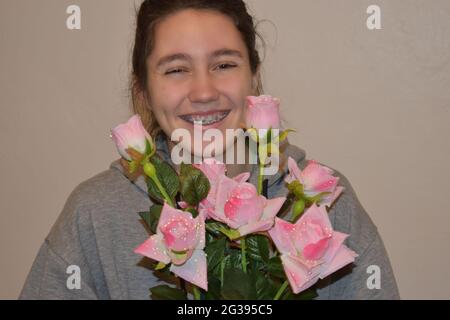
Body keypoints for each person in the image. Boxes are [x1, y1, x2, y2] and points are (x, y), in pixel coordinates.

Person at [19, 0, 400, 299]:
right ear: (144, 94)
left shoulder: (326, 203)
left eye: (223, 64)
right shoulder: (94, 214)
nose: (203, 92)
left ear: (253, 78)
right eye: (175, 69)